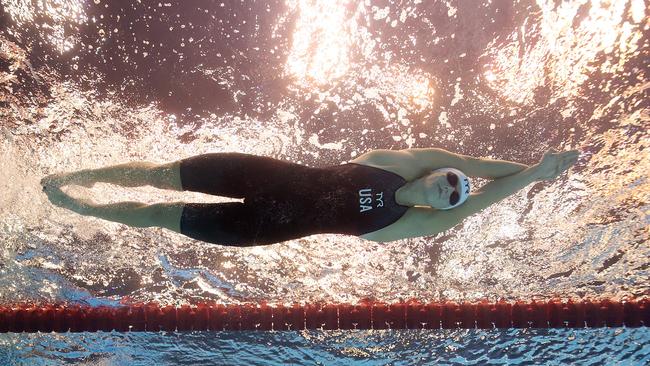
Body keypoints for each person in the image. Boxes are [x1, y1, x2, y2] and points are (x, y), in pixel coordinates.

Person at [41, 148, 579, 246]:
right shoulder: (401, 163)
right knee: (161, 175)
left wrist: (533, 176)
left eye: (456, 195)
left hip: (265, 229)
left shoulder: (411, 223)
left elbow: (487, 193)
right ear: (441, 169)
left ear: (442, 209)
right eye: (453, 177)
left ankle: (82, 206)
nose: (454, 186)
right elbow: (484, 168)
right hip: (265, 176)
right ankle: (82, 174)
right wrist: (538, 166)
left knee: (161, 214)